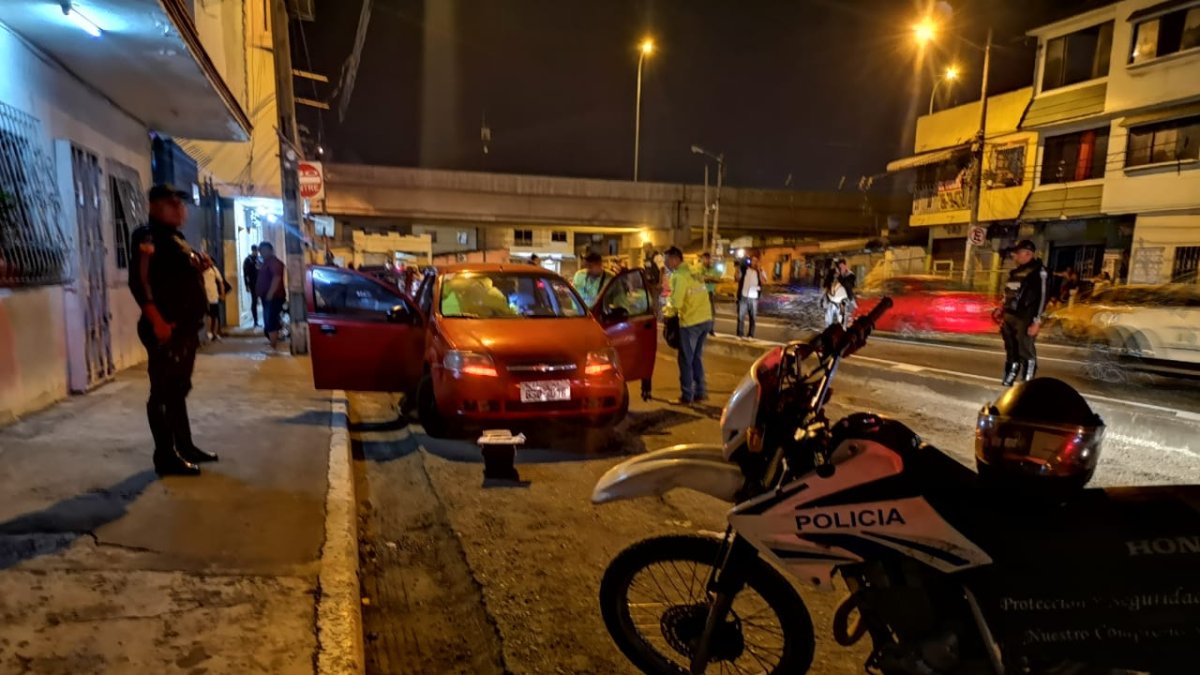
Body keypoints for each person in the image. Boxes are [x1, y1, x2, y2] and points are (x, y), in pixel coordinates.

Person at [127, 184, 216, 476]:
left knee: (178, 389)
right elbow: (140, 282)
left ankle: (184, 446)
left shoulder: (176, 239)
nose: (180, 207)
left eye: (181, 203)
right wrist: (157, 321)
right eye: (171, 202)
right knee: (164, 393)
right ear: (154, 206)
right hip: (166, 329)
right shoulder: (148, 236)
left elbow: (174, 276)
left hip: (185, 331)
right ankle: (165, 456)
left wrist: (198, 267)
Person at [663, 246, 714, 404]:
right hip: (706, 319)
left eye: (667, 259)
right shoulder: (694, 271)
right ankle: (700, 392)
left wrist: (666, 313)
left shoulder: (679, 276)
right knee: (696, 357)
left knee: (685, 359)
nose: (665, 263)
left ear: (675, 259)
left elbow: (676, 302)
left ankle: (687, 396)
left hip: (690, 322)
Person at [995, 240, 1048, 386]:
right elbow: (1008, 293)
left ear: (1028, 253)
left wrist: (1037, 321)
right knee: (1011, 348)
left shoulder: (1039, 271)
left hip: (1026, 316)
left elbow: (1043, 297)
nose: (1015, 256)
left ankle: (1027, 382)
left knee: (1025, 350)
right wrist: (1001, 308)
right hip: (1010, 315)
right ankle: (1010, 376)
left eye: (1018, 253)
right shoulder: (1015, 272)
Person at [256, 241, 287, 350]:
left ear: (270, 250)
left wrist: (270, 293)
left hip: (273, 297)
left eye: (263, 250)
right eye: (260, 251)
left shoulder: (274, 263)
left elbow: (276, 278)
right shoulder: (266, 262)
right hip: (268, 297)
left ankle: (273, 344)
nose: (261, 253)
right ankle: (272, 342)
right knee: (268, 319)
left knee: (271, 319)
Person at [200, 253, 230, 342]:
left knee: (215, 315)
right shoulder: (201, 270)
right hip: (205, 296)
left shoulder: (214, 269)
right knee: (209, 315)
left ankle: (215, 333)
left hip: (214, 295)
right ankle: (209, 332)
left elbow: (221, 282)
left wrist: (222, 293)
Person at [735, 255, 765, 338]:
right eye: (753, 261)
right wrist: (737, 269)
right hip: (744, 296)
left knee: (753, 318)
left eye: (756, 261)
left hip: (754, 297)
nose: (754, 263)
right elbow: (737, 278)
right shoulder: (744, 270)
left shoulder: (760, 271)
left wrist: (759, 271)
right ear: (750, 262)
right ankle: (740, 334)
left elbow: (763, 281)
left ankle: (751, 335)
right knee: (741, 317)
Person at [696, 252, 721, 336]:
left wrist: (708, 278)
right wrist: (710, 278)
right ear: (702, 259)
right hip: (701, 293)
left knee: (711, 313)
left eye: (708, 259)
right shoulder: (699, 267)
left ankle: (710, 329)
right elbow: (700, 278)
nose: (707, 261)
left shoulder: (713, 268)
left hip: (710, 293)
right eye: (705, 259)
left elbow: (717, 279)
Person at [242, 245, 261, 327]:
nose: (256, 252)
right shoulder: (248, 260)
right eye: (255, 251)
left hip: (260, 283)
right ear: (253, 250)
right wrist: (246, 285)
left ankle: (258, 321)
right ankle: (255, 321)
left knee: (261, 301)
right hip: (253, 284)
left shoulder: (259, 259)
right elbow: (245, 274)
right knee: (254, 302)